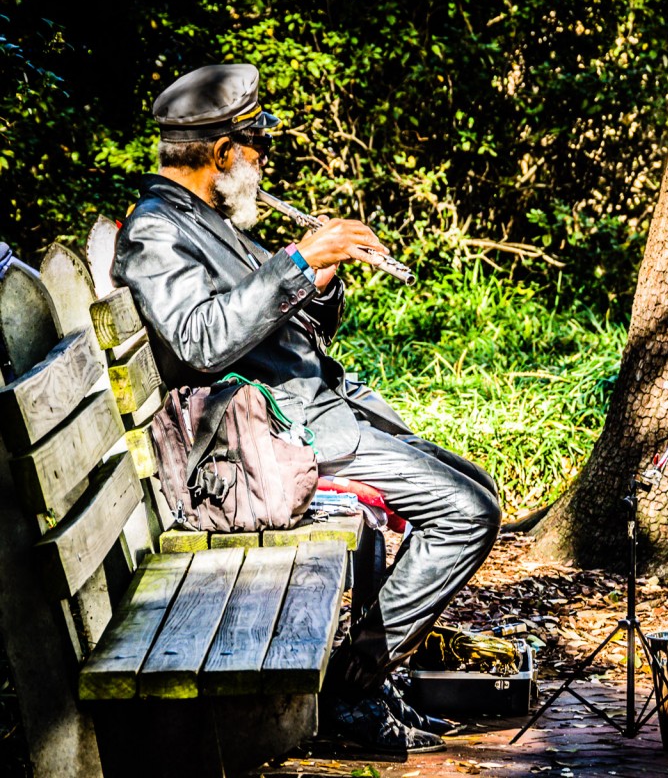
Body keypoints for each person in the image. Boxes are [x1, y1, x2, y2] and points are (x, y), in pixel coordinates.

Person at [112, 64, 502, 754]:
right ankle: (353, 693)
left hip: (311, 408)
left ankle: (372, 683)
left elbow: (272, 319)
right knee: (467, 514)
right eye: (256, 148)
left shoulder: (207, 220)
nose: (263, 165)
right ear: (225, 153)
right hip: (261, 442)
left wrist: (319, 282)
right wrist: (294, 261)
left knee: (479, 489)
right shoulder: (155, 233)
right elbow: (202, 341)